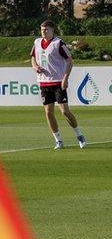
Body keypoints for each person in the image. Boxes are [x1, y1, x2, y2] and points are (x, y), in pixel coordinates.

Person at [31, 20, 86, 150]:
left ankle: (79, 135)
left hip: (58, 82)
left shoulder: (58, 43)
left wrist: (65, 78)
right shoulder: (37, 42)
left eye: (46, 29)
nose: (43, 31)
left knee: (65, 112)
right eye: (42, 29)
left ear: (52, 30)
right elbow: (33, 56)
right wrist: (35, 66)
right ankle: (58, 140)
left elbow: (70, 60)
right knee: (48, 112)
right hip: (44, 82)